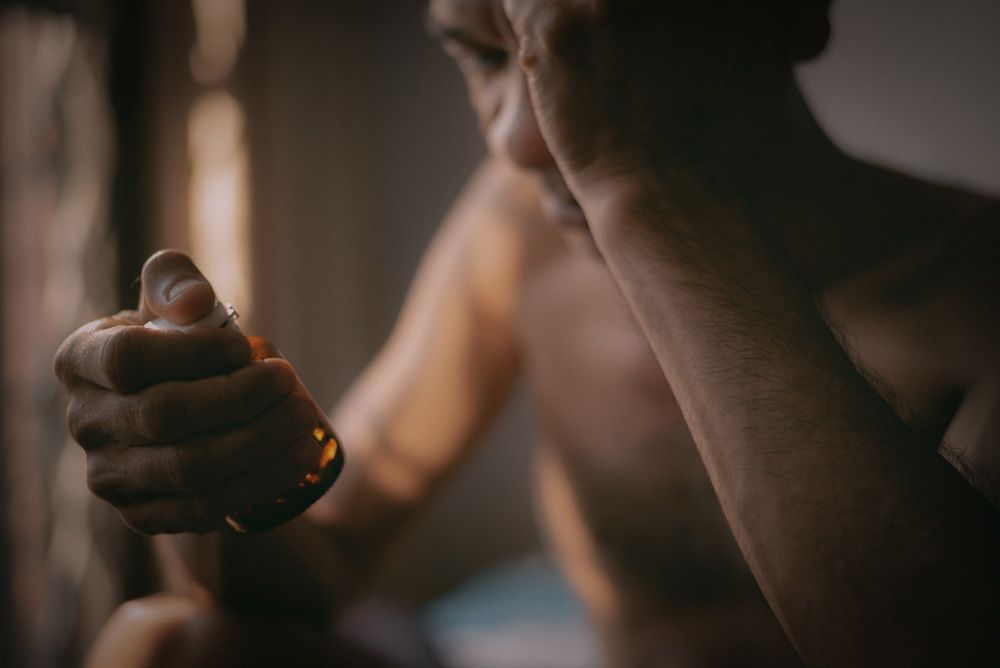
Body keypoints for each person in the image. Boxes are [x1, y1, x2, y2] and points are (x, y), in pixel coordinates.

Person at [55, 1, 1000, 665]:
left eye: (605, 41)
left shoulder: (976, 286)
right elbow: (323, 554)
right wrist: (218, 476)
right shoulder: (515, 232)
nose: (519, 137)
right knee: (168, 646)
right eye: (481, 58)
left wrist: (640, 183)